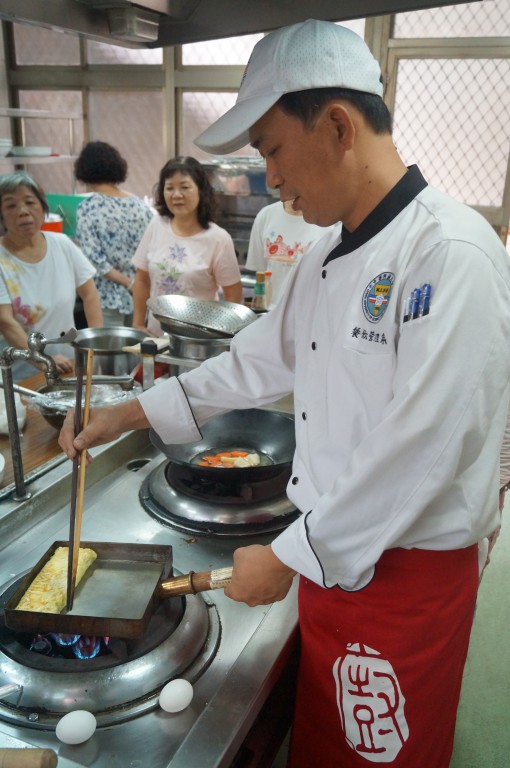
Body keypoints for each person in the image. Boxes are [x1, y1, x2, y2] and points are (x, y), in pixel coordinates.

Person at [59, 20, 510, 768]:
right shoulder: (328, 255)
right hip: (333, 556)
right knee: (327, 745)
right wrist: (125, 413)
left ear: (337, 126)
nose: (270, 178)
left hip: (404, 578)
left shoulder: (450, 252)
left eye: (271, 149)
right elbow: (250, 365)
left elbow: (426, 449)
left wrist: (291, 552)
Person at [0, 172, 103, 379]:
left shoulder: (62, 244)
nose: (23, 212)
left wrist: (96, 347)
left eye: (30, 202)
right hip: (20, 373)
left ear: (43, 207)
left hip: (68, 364)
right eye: (11, 205)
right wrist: (42, 360)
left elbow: (90, 294)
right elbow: (5, 320)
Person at [131, 155, 242, 336]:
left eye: (184, 187)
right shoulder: (156, 225)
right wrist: (137, 325)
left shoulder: (218, 238)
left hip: (199, 341)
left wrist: (225, 336)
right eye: (169, 188)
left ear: (201, 190)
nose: (176, 195)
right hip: (155, 337)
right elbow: (142, 279)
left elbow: (233, 293)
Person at [74, 141, 153, 327]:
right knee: (138, 344)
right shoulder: (139, 205)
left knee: (108, 346)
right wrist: (136, 284)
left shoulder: (88, 207)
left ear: (84, 170)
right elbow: (151, 251)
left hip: (106, 297)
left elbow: (94, 259)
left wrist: (128, 283)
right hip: (140, 295)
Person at [246, 199, 340, 308]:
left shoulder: (331, 220)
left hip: (311, 313)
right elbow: (260, 276)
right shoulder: (266, 215)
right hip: (270, 312)